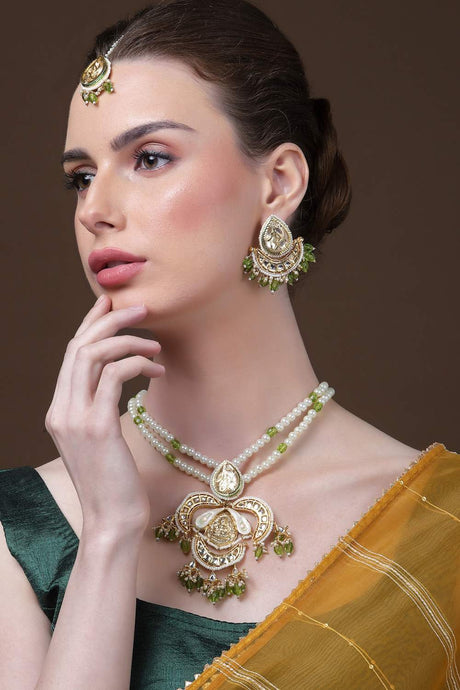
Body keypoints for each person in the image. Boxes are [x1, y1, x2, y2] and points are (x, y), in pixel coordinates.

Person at [0, 1, 458, 688]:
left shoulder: (442, 529)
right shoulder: (23, 531)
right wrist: (109, 533)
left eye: (149, 158)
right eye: (82, 177)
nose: (94, 210)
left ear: (279, 183)